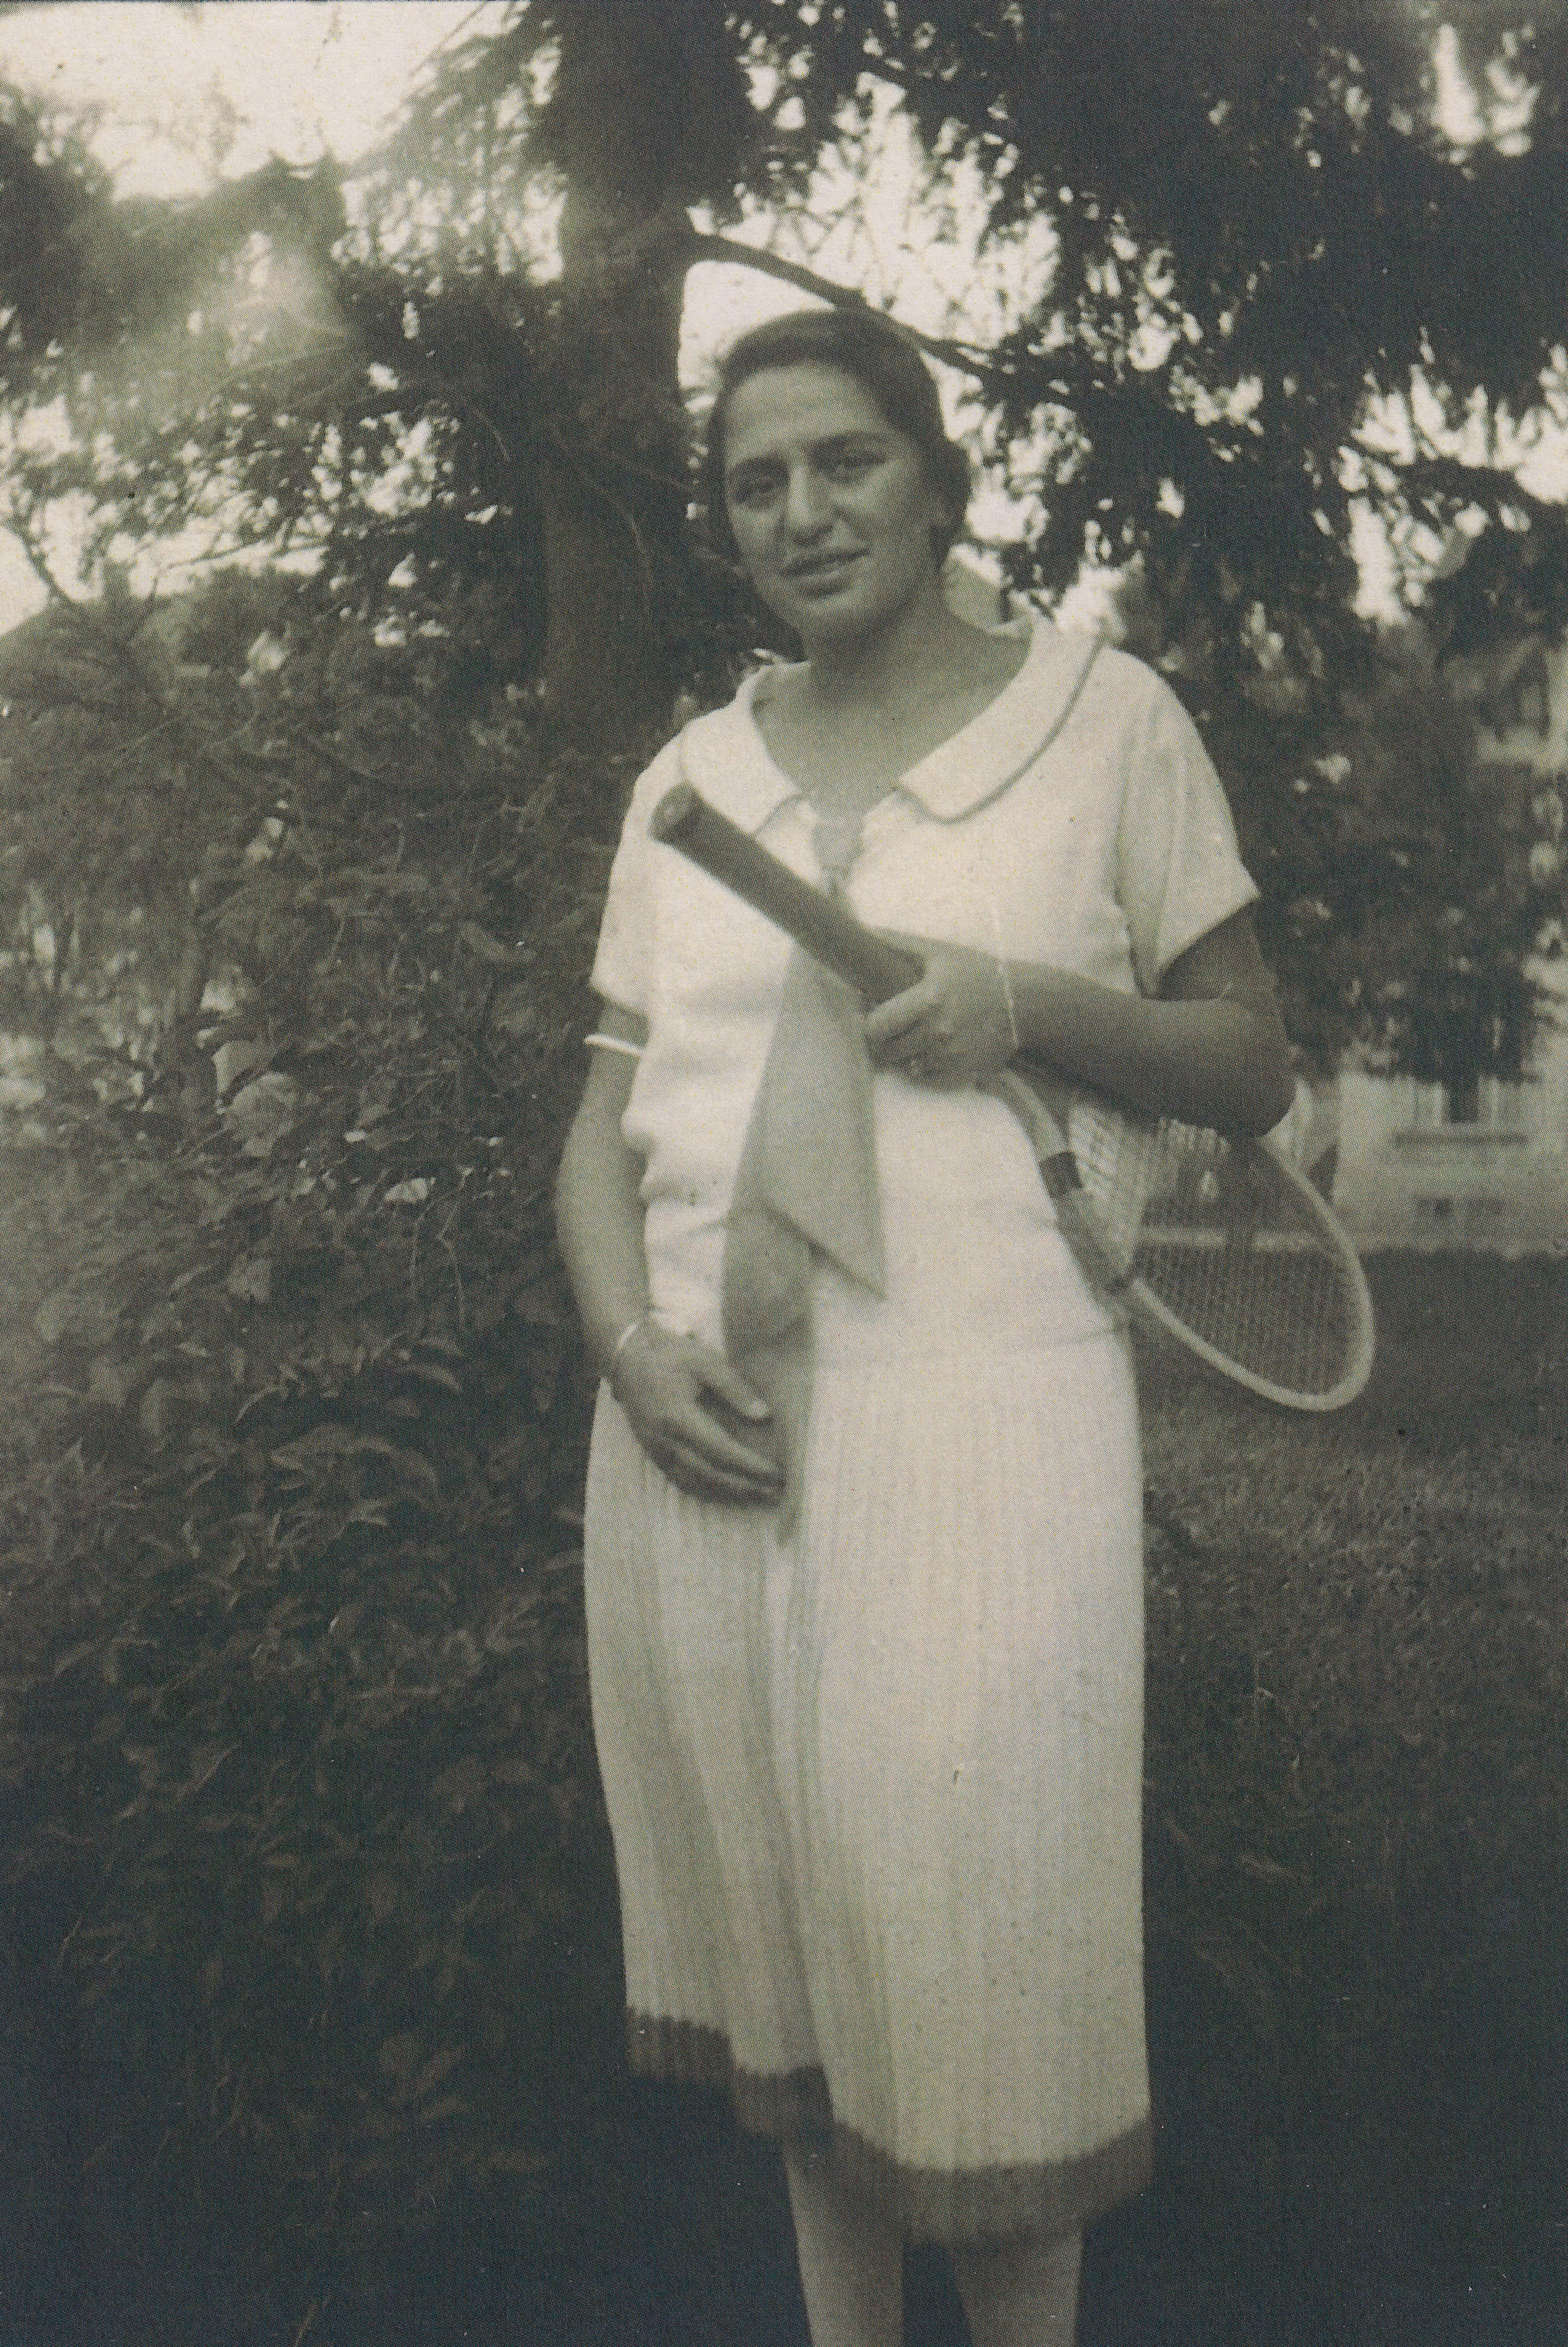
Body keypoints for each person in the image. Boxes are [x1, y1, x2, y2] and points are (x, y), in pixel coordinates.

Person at [555, 306, 1294, 2347]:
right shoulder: (687, 780)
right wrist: (630, 1349)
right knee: (802, 1978)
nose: (801, 512)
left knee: (980, 1983)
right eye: (755, 482)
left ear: (936, 472)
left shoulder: (1102, 722)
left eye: (845, 461)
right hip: (706, 1437)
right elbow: (599, 1135)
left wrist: (1020, 1001)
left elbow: (1245, 1065)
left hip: (980, 1439)